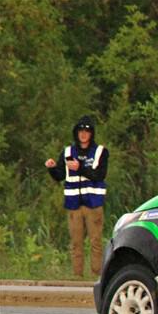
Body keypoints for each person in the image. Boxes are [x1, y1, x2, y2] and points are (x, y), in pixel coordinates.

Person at [45, 116, 109, 277]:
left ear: (91, 133)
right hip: (74, 204)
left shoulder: (100, 151)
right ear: (76, 133)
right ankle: (77, 276)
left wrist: (80, 168)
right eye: (81, 131)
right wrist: (52, 168)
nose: (83, 134)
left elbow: (99, 175)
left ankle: (97, 275)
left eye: (87, 131)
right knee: (76, 243)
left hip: (93, 203)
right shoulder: (68, 152)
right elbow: (60, 176)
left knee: (95, 242)